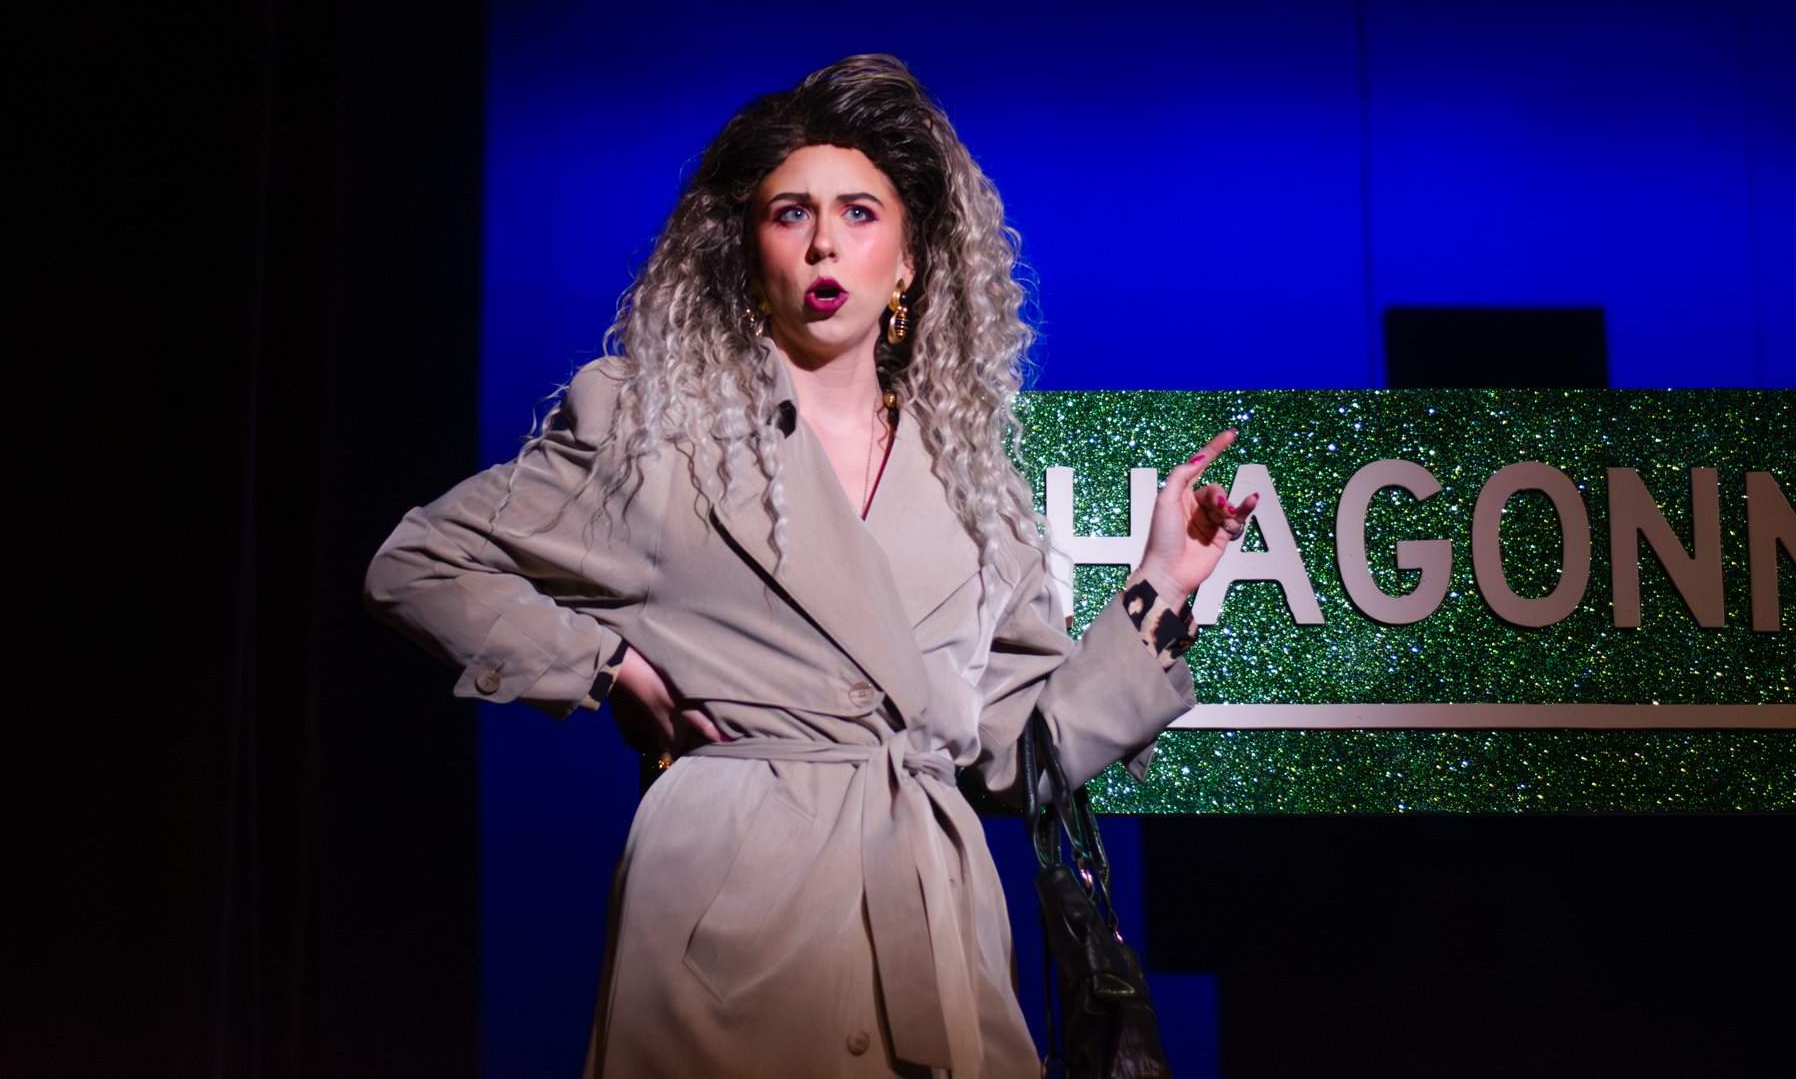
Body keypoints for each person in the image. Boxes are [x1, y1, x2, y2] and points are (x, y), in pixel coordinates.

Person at [364, 55, 1257, 1078]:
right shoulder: (653, 431)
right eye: (790, 212)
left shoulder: (972, 485)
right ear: (748, 248)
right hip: (729, 922)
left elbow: (1017, 752)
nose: (825, 242)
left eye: (860, 213)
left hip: (931, 927)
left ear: (912, 260)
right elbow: (420, 560)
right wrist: (606, 667)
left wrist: (1161, 584)